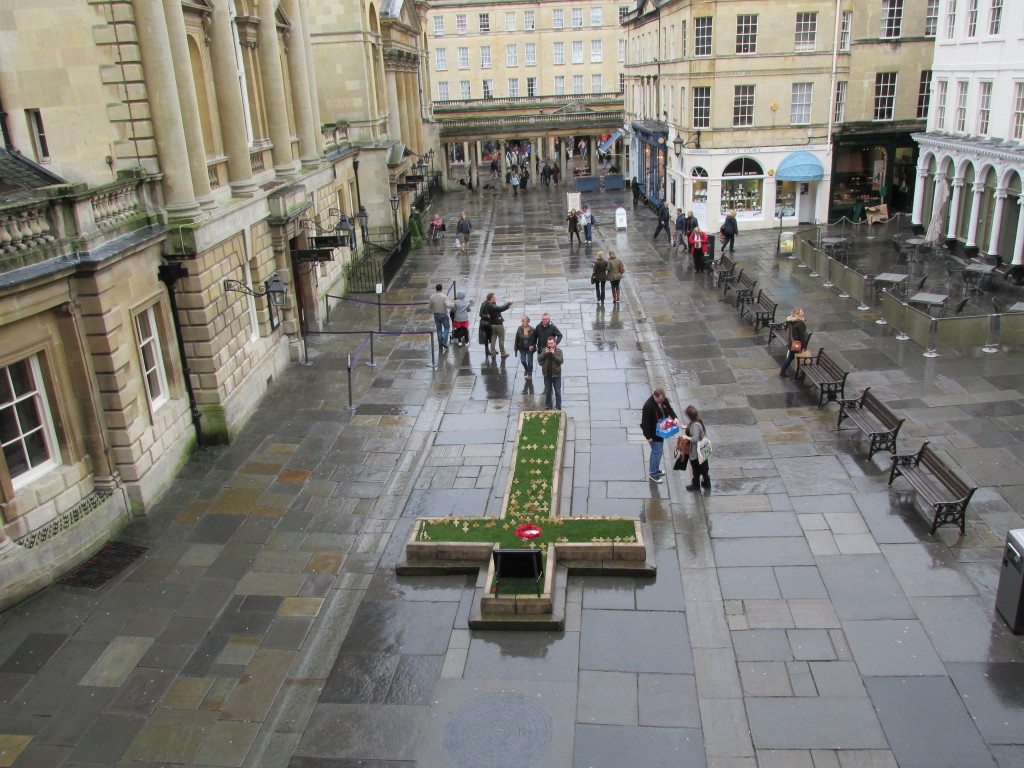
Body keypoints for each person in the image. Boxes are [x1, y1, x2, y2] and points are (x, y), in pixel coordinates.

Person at [640, 388, 677, 483]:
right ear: (655, 397)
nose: (661, 401)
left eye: (662, 400)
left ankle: (656, 470)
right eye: (659, 400)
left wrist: (675, 417)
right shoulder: (648, 406)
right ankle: (653, 473)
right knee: (657, 452)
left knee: (659, 452)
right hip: (654, 433)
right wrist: (648, 437)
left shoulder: (663, 400)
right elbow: (645, 423)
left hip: (662, 429)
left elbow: (669, 409)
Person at [682, 405, 710, 490]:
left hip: (696, 452)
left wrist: (686, 437)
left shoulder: (695, 425)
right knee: (704, 468)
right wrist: (686, 427)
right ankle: (706, 482)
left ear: (690, 416)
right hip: (703, 449)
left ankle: (696, 485)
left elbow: (695, 438)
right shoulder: (698, 421)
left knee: (695, 468)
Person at [482, 292, 512, 358]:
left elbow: (498, 309)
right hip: (498, 324)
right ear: (491, 298)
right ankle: (503, 352)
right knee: (501, 338)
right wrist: (509, 302)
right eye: (494, 297)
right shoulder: (491, 305)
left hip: (492, 324)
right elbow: (500, 308)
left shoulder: (488, 304)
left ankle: (492, 353)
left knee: (493, 338)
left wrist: (507, 307)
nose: (496, 297)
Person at [780, 308, 808, 376]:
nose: (803, 313)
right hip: (797, 344)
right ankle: (802, 372)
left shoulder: (791, 321)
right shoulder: (800, 323)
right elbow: (802, 336)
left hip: (791, 342)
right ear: (798, 314)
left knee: (790, 357)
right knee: (800, 356)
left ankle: (783, 372)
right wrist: (804, 346)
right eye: (801, 312)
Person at [538, 335, 563, 410]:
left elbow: (560, 361)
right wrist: (545, 353)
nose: (550, 345)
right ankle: (548, 406)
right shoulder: (545, 350)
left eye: (551, 343)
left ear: (555, 343)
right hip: (547, 375)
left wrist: (553, 354)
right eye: (549, 343)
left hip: (556, 375)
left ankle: (558, 406)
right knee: (548, 392)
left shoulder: (559, 351)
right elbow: (539, 359)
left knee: (557, 392)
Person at [428, 283, 453, 350]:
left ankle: (440, 342)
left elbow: (430, 306)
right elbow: (447, 305)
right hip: (443, 315)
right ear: (441, 288)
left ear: (436, 289)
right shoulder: (444, 296)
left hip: (436, 315)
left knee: (439, 329)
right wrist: (453, 304)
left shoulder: (432, 297)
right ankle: (444, 342)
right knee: (446, 328)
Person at [514, 316, 536, 380]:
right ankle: (527, 369)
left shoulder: (532, 329)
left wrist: (533, 346)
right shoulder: (519, 329)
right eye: (523, 321)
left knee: (530, 362)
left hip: (529, 348)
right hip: (522, 347)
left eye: (526, 321)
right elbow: (516, 339)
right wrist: (515, 350)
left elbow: (535, 340)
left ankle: (530, 374)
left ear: (528, 322)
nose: (525, 323)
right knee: (523, 361)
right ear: (522, 322)